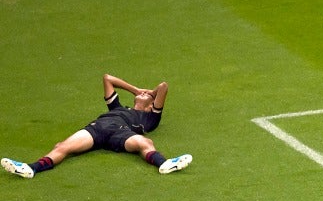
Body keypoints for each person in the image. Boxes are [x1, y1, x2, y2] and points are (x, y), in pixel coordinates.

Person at [2, 74, 192, 178]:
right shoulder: (117, 107)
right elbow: (107, 78)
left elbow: (164, 86)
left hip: (122, 134)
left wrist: (151, 93)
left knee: (145, 142)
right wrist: (136, 90)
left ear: (152, 106)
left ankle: (164, 164)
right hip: (96, 129)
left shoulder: (149, 118)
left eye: (147, 97)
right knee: (62, 146)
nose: (143, 94)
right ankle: (31, 168)